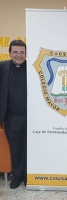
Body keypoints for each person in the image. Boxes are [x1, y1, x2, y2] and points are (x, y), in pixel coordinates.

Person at [0, 39, 27, 189]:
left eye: (22, 52)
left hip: (30, 117)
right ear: (9, 53)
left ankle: (28, 175)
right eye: (15, 52)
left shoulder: (32, 68)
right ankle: (17, 176)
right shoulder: (2, 67)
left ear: (25, 53)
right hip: (10, 116)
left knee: (28, 147)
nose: (19, 55)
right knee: (15, 148)